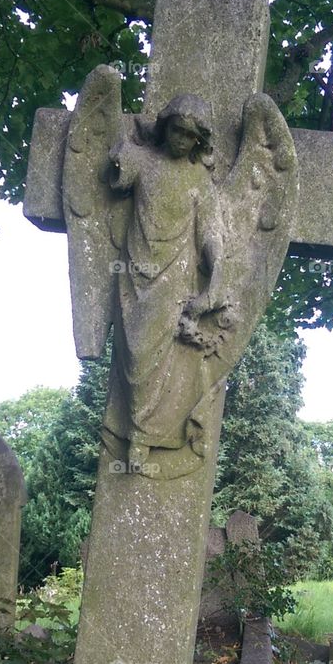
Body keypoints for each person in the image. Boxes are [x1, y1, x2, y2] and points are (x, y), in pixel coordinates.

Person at [102, 94, 230, 469]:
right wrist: (117, 154)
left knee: (157, 357)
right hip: (133, 273)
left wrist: (217, 271)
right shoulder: (144, 162)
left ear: (199, 141)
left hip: (174, 279)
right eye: (177, 131)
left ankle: (142, 437)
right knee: (135, 354)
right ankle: (132, 428)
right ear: (165, 128)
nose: (181, 140)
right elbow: (115, 180)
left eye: (190, 136)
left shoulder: (199, 181)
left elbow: (209, 233)